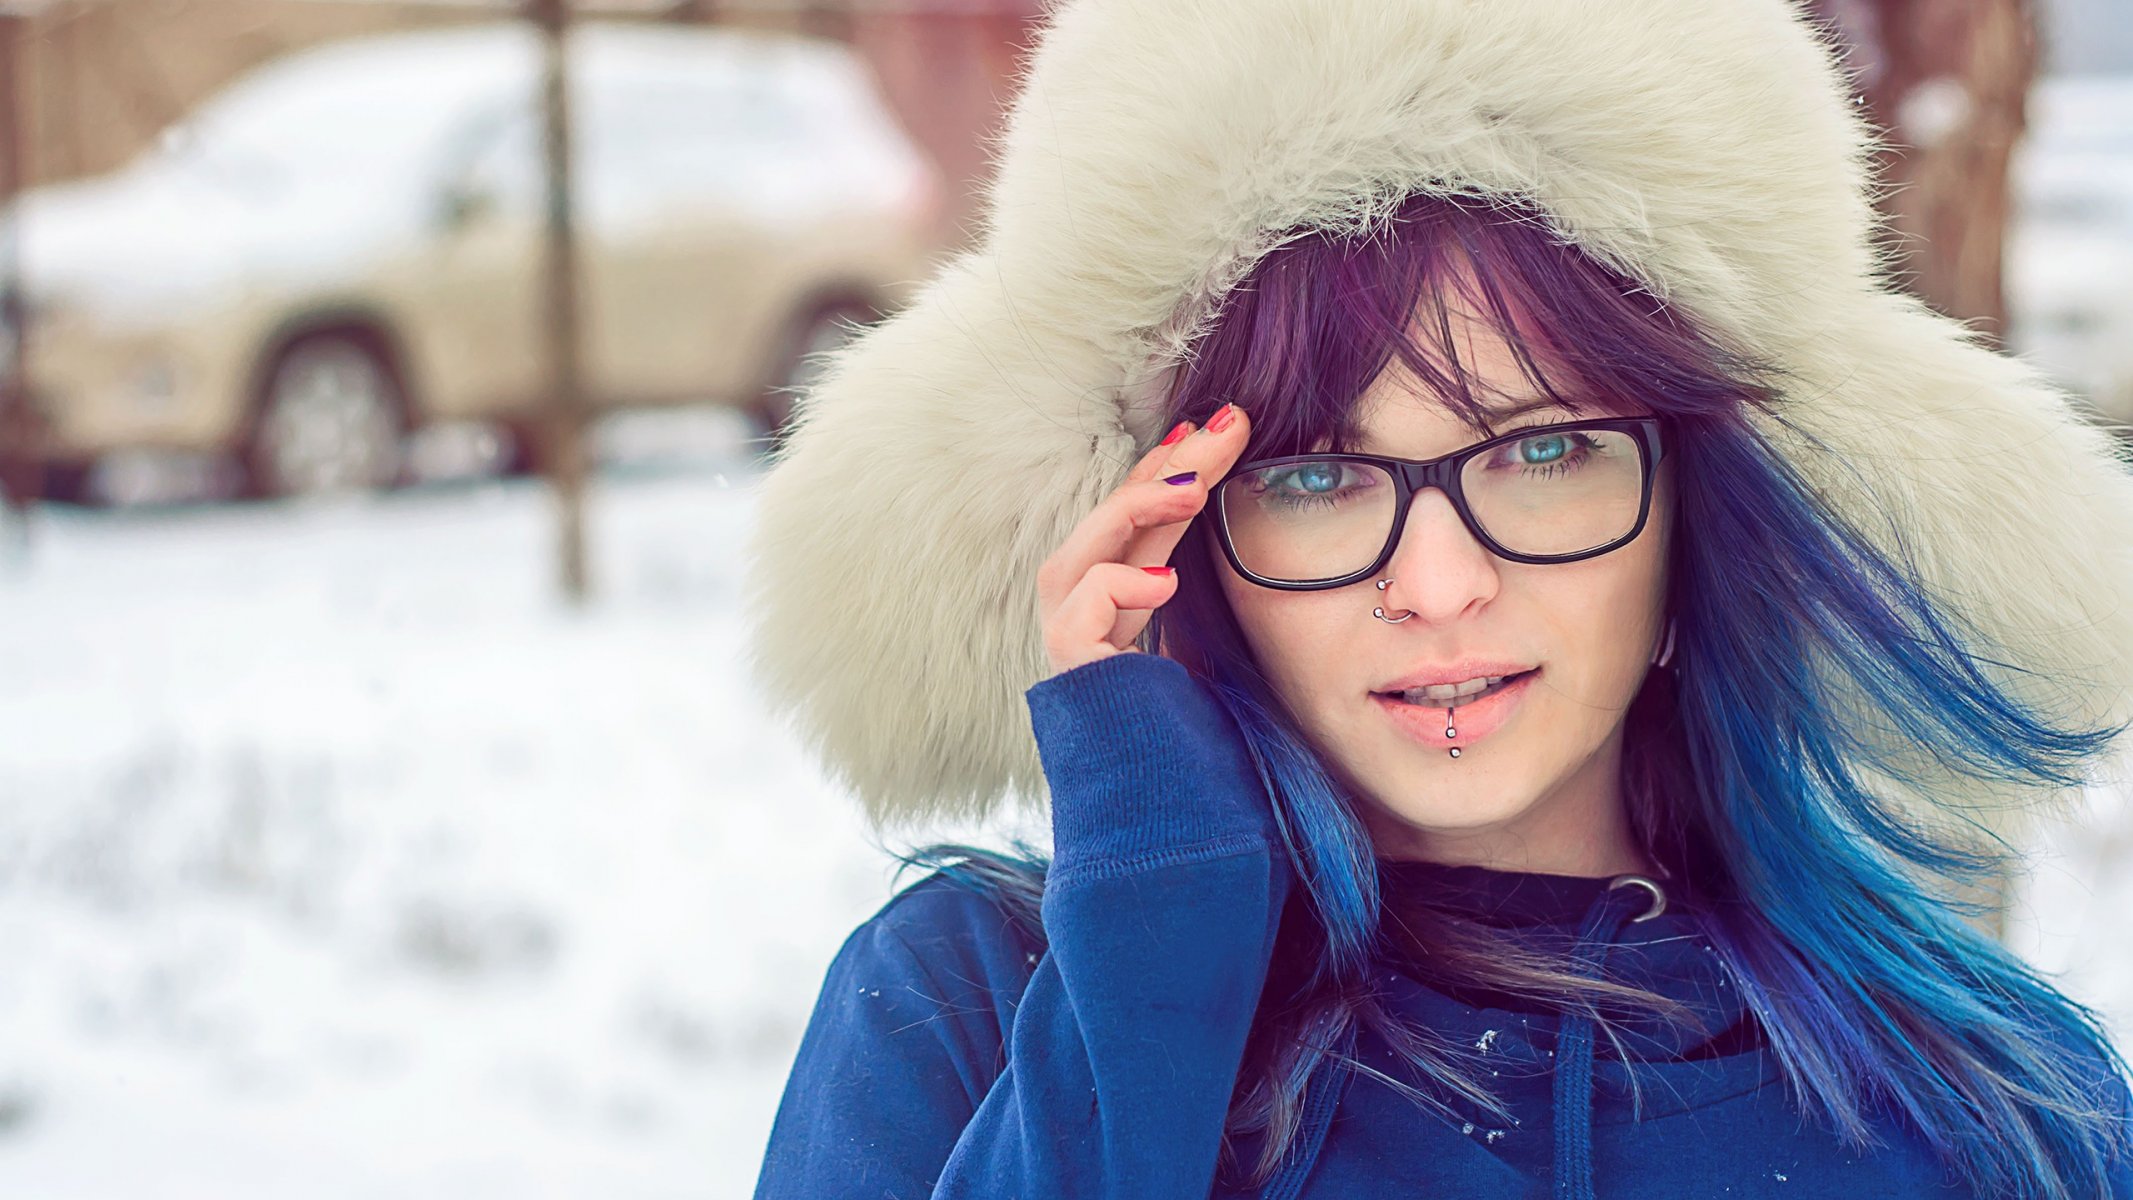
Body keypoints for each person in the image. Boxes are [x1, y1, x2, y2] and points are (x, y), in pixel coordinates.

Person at [740, 0, 2133, 1195]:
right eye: (1312, 477)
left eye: (1541, 453)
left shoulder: (1996, 1111)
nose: (1439, 585)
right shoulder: (967, 1011)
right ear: (1181, 544)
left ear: (1696, 509)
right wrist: (1152, 945)